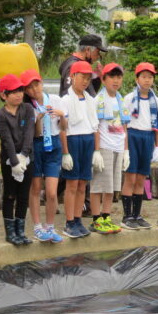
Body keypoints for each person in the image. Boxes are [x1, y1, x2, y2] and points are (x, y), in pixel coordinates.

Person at [21, 69, 66, 244]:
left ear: (42, 83)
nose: (35, 89)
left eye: (37, 84)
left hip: (54, 145)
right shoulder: (27, 107)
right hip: (37, 145)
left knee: (52, 192)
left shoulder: (55, 100)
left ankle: (50, 226)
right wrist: (38, 119)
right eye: (30, 87)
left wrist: (61, 115)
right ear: (25, 91)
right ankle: (37, 227)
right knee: (35, 187)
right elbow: (35, 134)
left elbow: (63, 127)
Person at [61, 61, 102, 238]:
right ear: (72, 77)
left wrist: (97, 150)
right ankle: (69, 221)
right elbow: (63, 128)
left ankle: (78, 219)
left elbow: (95, 126)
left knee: (82, 184)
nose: (85, 81)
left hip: (87, 140)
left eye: (88, 78)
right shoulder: (65, 99)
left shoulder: (91, 100)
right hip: (73, 140)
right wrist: (65, 152)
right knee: (71, 183)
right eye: (82, 77)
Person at [89, 62, 130, 235]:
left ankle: (106, 216)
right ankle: (96, 218)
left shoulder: (121, 99)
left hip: (118, 147)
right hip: (104, 146)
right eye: (112, 77)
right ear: (103, 79)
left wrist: (126, 150)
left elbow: (125, 127)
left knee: (112, 186)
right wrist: (96, 151)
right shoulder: (98, 100)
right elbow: (95, 126)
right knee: (98, 185)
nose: (116, 80)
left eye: (119, 77)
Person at [0, 73, 36, 245]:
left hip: (27, 158)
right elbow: (7, 140)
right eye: (13, 91)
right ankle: (10, 232)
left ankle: (20, 230)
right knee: (10, 195)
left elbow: (29, 134)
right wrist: (14, 161)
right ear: (4, 95)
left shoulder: (27, 109)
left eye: (20, 90)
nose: (19, 94)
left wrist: (24, 155)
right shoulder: (0, 115)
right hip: (9, 160)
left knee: (23, 195)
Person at [121, 62, 158, 230]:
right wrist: (125, 147)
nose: (147, 80)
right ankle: (126, 216)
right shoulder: (129, 98)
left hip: (147, 136)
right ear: (137, 78)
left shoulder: (156, 101)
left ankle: (137, 214)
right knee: (130, 177)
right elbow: (123, 123)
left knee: (141, 177)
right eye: (143, 77)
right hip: (132, 135)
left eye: (150, 77)